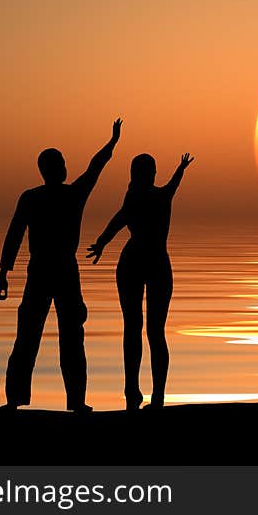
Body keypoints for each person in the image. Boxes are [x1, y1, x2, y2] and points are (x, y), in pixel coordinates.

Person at [0, 119, 122, 412]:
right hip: (53, 271)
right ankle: (47, 400)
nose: (65, 166)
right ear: (53, 168)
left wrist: (4, 273)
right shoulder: (65, 195)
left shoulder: (41, 197)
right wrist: (113, 142)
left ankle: (54, 400)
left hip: (52, 271)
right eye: (61, 162)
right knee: (44, 337)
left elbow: (95, 166)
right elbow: (95, 167)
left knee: (56, 336)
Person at [86, 152, 194, 410]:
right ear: (149, 173)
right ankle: (138, 393)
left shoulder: (143, 197)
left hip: (144, 263)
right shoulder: (150, 197)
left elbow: (119, 219)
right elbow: (120, 219)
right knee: (144, 330)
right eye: (150, 171)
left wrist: (102, 241)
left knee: (145, 331)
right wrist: (102, 241)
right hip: (142, 263)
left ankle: (150, 395)